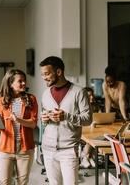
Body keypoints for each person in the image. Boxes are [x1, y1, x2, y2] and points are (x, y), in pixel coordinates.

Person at [39, 56, 92, 185]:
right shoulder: (45, 94)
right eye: (42, 74)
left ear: (58, 72)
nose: (44, 77)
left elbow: (88, 119)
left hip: (69, 150)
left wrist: (67, 116)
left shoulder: (79, 92)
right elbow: (44, 121)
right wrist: (44, 119)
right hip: (48, 149)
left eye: (46, 74)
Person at [0, 69, 38, 185]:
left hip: (25, 150)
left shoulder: (31, 99)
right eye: (20, 81)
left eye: (24, 81)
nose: (24, 83)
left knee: (22, 182)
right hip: (5, 150)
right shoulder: (1, 101)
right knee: (4, 182)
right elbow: (0, 127)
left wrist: (18, 120)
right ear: (10, 84)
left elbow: (33, 124)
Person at [80, 87, 102, 168]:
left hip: (94, 130)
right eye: (89, 96)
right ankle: (85, 157)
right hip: (82, 133)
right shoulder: (80, 107)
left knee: (97, 136)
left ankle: (88, 156)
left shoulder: (96, 106)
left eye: (92, 95)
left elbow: (101, 117)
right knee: (92, 138)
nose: (92, 97)